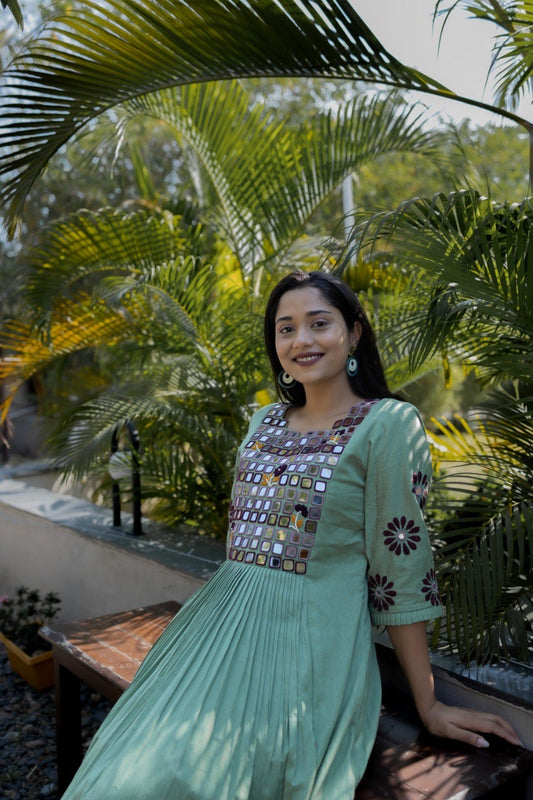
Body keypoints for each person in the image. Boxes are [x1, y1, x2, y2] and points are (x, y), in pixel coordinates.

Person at [61, 270, 521, 800]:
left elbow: (399, 571)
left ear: (353, 332)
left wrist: (429, 703)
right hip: (211, 635)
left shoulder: (388, 425)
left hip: (307, 649)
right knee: (126, 767)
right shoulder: (263, 422)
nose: (302, 340)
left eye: (318, 323)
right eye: (286, 328)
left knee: (184, 779)